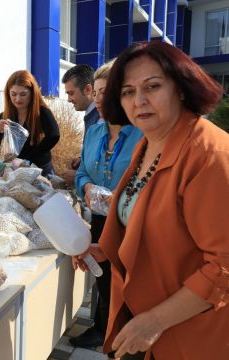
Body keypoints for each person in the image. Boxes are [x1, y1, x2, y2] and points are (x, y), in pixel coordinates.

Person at [77, 41, 229, 359]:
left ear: (182, 88)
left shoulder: (209, 154)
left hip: (189, 332)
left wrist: (155, 321)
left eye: (153, 86)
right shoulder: (146, 144)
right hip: (142, 314)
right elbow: (141, 214)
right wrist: (105, 249)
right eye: (128, 91)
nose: (139, 101)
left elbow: (224, 266)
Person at [70, 59, 143, 351]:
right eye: (96, 92)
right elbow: (82, 171)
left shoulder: (144, 134)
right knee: (103, 281)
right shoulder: (95, 132)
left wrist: (120, 198)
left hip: (133, 223)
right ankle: (104, 331)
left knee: (130, 286)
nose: (98, 99)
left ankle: (127, 337)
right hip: (100, 219)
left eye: (105, 92)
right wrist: (87, 187)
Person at [0, 70, 60, 177]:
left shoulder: (42, 112)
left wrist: (28, 161)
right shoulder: (4, 116)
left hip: (40, 170)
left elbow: (54, 135)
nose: (18, 99)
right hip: (14, 171)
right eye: (13, 94)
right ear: (8, 93)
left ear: (32, 93)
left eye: (23, 94)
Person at [62, 64, 101, 182]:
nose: (69, 99)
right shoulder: (91, 113)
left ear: (88, 89)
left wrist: (77, 177)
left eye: (71, 93)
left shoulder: (101, 119)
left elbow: (105, 167)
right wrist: (82, 159)